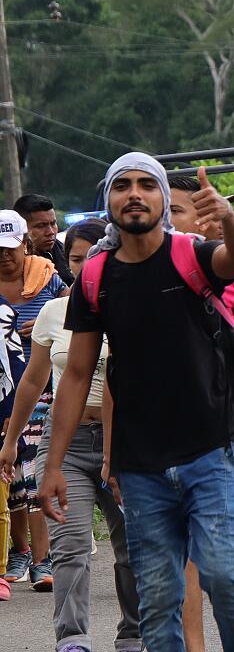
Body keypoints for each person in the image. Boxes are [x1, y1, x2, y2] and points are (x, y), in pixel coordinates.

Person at [41, 153, 234, 651]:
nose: (134, 193)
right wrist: (53, 465)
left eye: (146, 184)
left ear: (163, 199)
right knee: (158, 598)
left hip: (209, 448)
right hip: (140, 465)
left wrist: (226, 216)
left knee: (225, 577)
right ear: (109, 199)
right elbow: (77, 375)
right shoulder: (97, 277)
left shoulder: (193, 254)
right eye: (122, 185)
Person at [0, 218, 142, 647]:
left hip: (128, 444)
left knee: (133, 546)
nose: (87, 266)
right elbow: (31, 380)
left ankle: (134, 634)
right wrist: (10, 443)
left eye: (96, 257)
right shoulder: (54, 312)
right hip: (67, 442)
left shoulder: (137, 309)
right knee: (71, 545)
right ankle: (72, 638)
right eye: (78, 258)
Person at [169, 176, 234, 652]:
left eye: (176, 209)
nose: (165, 217)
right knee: (188, 556)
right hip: (165, 440)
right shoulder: (133, 275)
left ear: (202, 219)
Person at [0, 209, 67, 590]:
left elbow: (73, 312)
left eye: (11, 248)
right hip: (2, 386)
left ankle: (43, 560)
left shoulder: (46, 275)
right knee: (9, 472)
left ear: (25, 244)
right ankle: (20, 550)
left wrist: (43, 321)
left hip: (42, 383)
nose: (5, 256)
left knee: (36, 467)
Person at [14, 193, 73, 285]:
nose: (51, 232)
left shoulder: (67, 253)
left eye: (53, 223)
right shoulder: (9, 261)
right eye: (41, 226)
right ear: (22, 228)